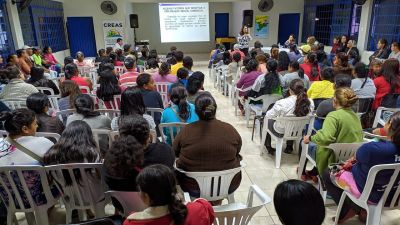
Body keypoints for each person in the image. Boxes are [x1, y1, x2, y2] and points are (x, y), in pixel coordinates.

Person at [322, 111, 400, 223]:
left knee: (329, 172)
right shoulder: (378, 149)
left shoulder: (373, 148)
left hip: (370, 195)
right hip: (393, 197)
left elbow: (356, 158)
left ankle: (351, 209)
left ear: (390, 124)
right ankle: (362, 211)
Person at [173, 93, 241, 200]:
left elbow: (175, 152)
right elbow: (237, 151)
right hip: (229, 184)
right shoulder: (230, 129)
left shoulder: (186, 131)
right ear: (215, 109)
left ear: (196, 111)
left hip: (193, 186)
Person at [123, 164, 215, 225]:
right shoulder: (198, 210)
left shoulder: (132, 222)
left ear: (146, 196)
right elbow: (207, 208)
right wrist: (184, 202)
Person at [0, 109, 55, 208]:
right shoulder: (43, 142)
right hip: (38, 198)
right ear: (25, 129)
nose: (37, 126)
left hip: (7, 200)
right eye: (35, 124)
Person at [303, 88, 363, 176]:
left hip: (332, 156)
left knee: (304, 142)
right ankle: (314, 173)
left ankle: (303, 172)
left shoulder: (333, 116)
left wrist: (310, 138)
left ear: (334, 100)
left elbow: (325, 138)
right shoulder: (355, 116)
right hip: (350, 156)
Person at [264, 79, 314, 154]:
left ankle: (268, 146)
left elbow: (268, 115)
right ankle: (289, 146)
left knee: (266, 120)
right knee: (293, 122)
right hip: (299, 130)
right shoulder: (310, 102)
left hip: (281, 130)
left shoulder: (282, 102)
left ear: (290, 90)